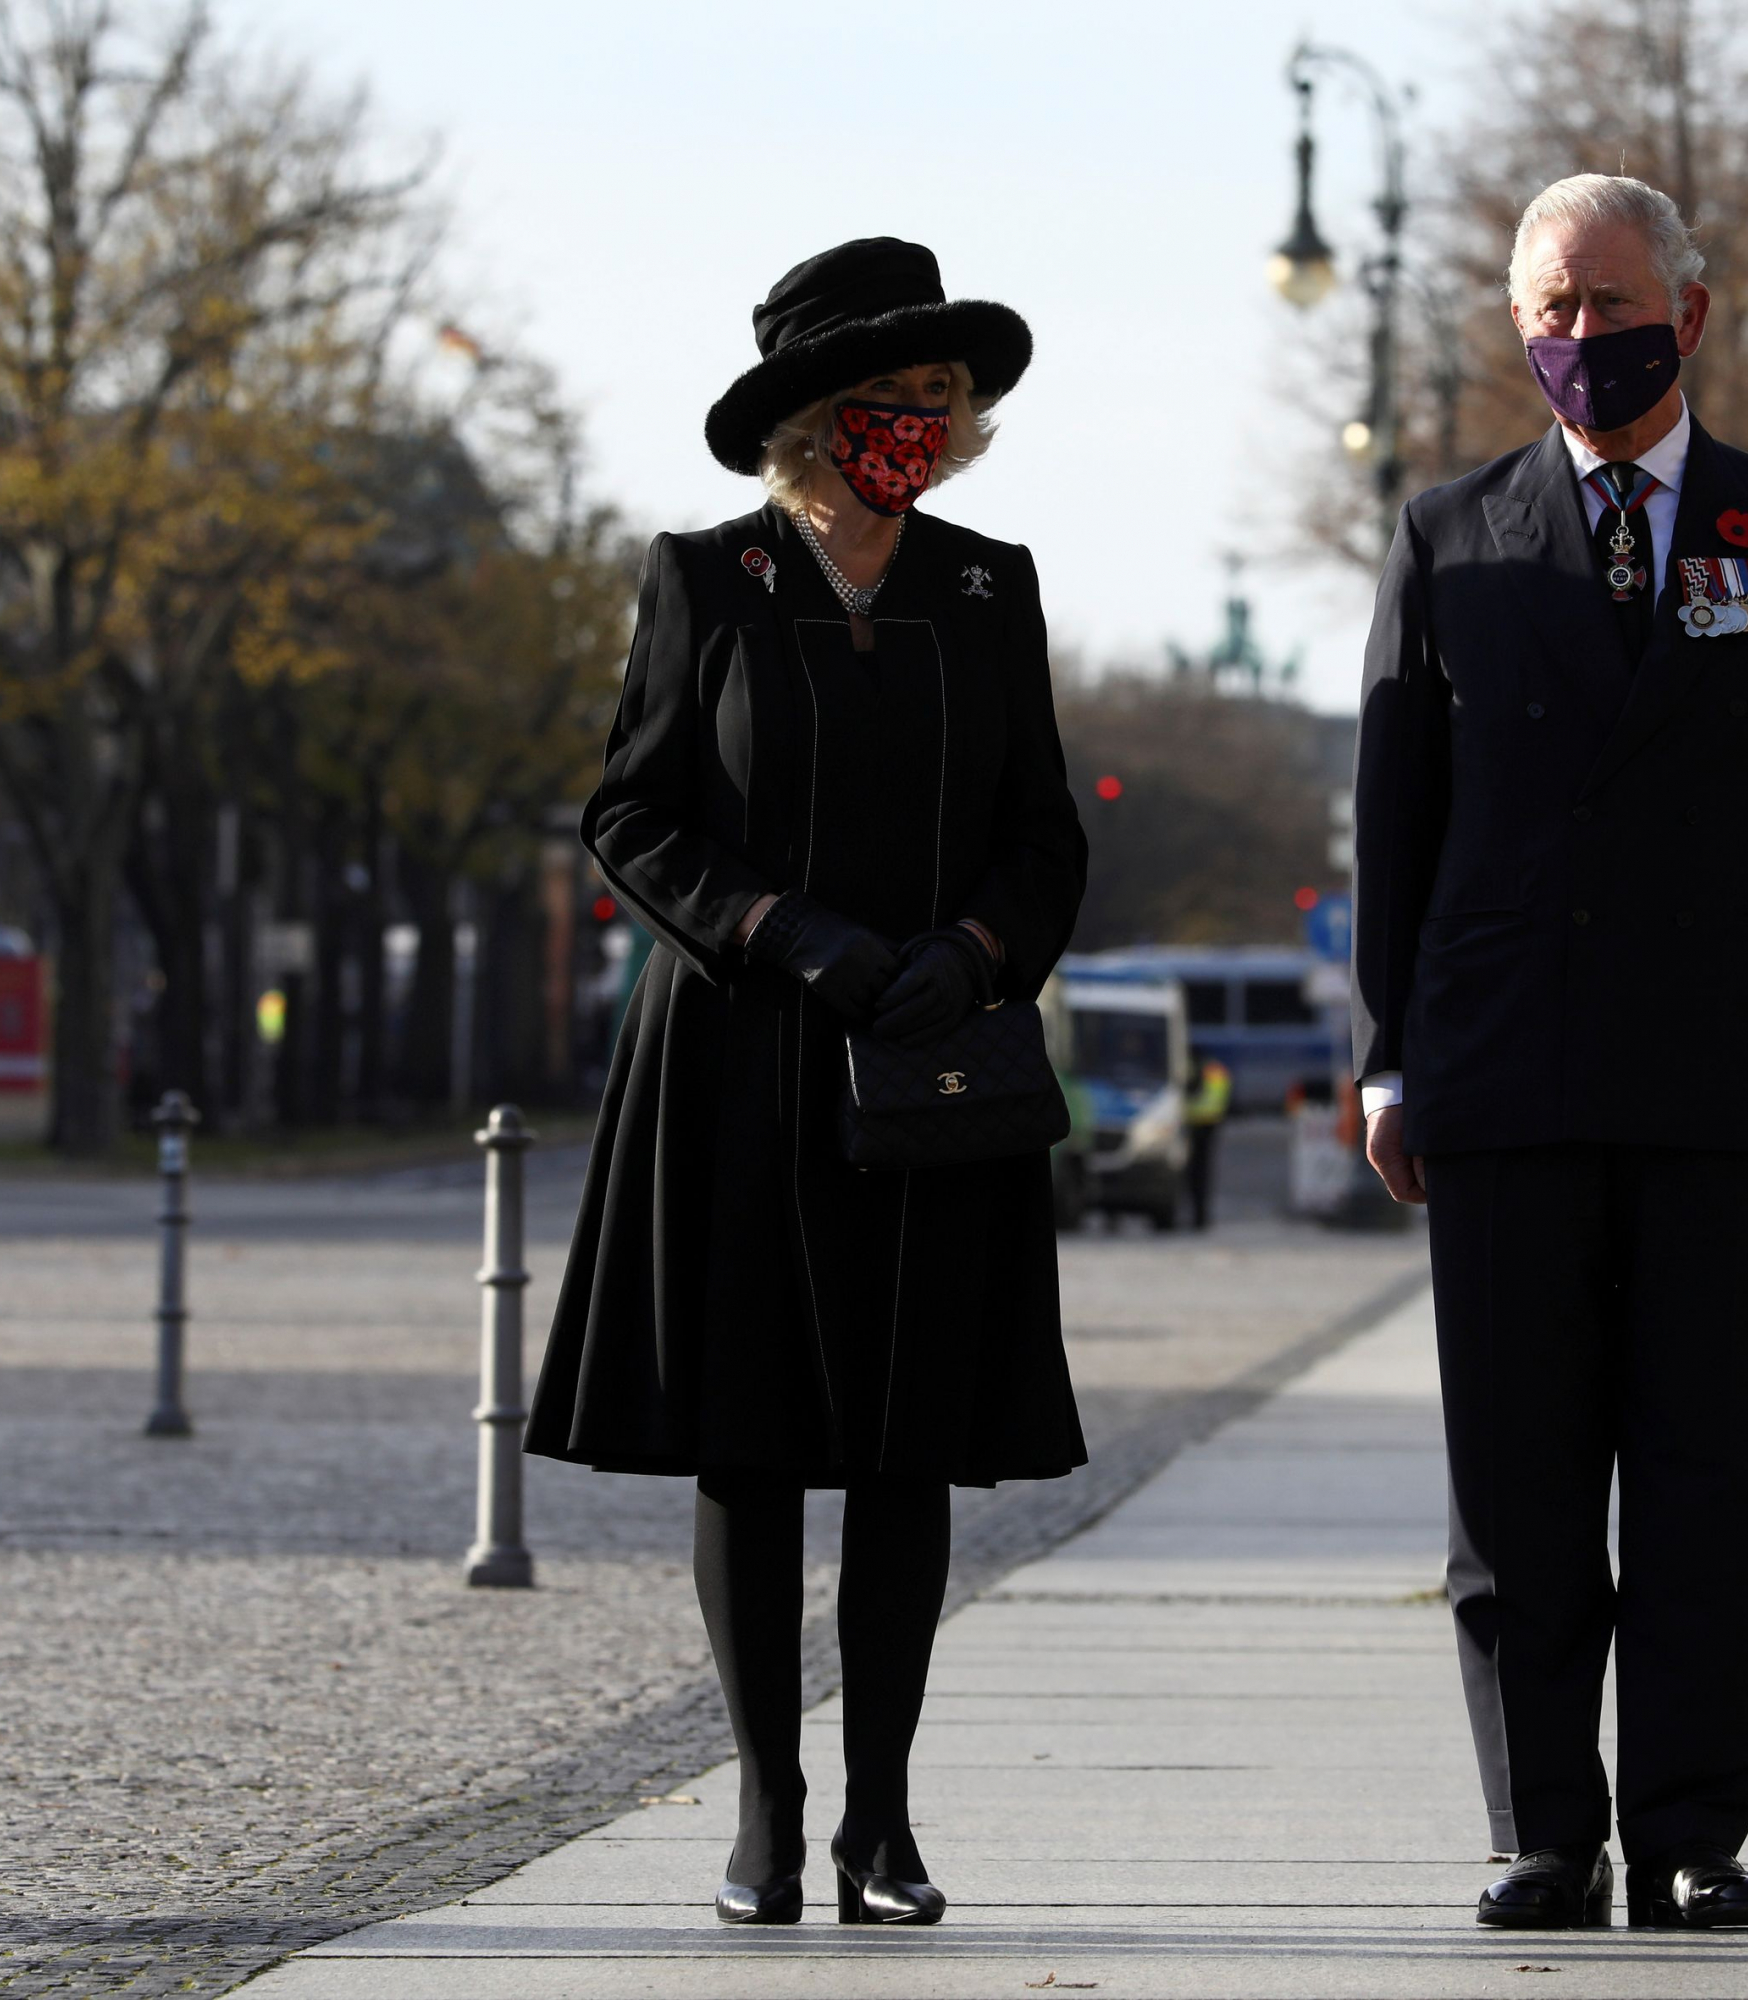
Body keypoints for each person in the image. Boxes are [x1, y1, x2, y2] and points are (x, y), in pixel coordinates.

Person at [1351, 175, 1748, 1932]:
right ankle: (1539, 1826)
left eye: (1603, 302)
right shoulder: (1450, 538)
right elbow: (1396, 830)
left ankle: (1685, 1831)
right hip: (1503, 1082)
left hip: (1726, 1090)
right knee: (1515, 1492)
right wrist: (1386, 1063)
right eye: (1546, 308)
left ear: (1691, 308)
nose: (1574, 338)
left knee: (1700, 1478)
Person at [525, 237, 1088, 1931]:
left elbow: (1045, 832)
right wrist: (780, 929)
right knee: (753, 1446)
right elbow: (629, 815)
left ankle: (884, 1824)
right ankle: (768, 1813)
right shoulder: (705, 582)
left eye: (938, 398)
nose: (914, 425)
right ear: (809, 421)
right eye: (882, 400)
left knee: (907, 1449)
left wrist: (976, 953)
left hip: (928, 1076)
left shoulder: (988, 590)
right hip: (741, 1062)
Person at [1183, 1054, 1233, 1229]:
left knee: (1193, 1174)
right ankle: (1201, 1217)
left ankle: (1197, 1217)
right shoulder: (1218, 1071)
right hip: (1211, 1125)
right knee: (1203, 1174)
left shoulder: (1189, 1069)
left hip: (1193, 1125)